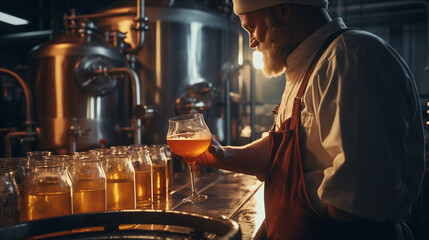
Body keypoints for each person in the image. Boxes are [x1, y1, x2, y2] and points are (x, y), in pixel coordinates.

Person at [195, 0, 426, 239]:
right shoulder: (307, 65)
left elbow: (355, 206)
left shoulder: (349, 59)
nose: (252, 41)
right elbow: (285, 151)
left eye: (251, 28)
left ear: (283, 11)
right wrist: (221, 155)